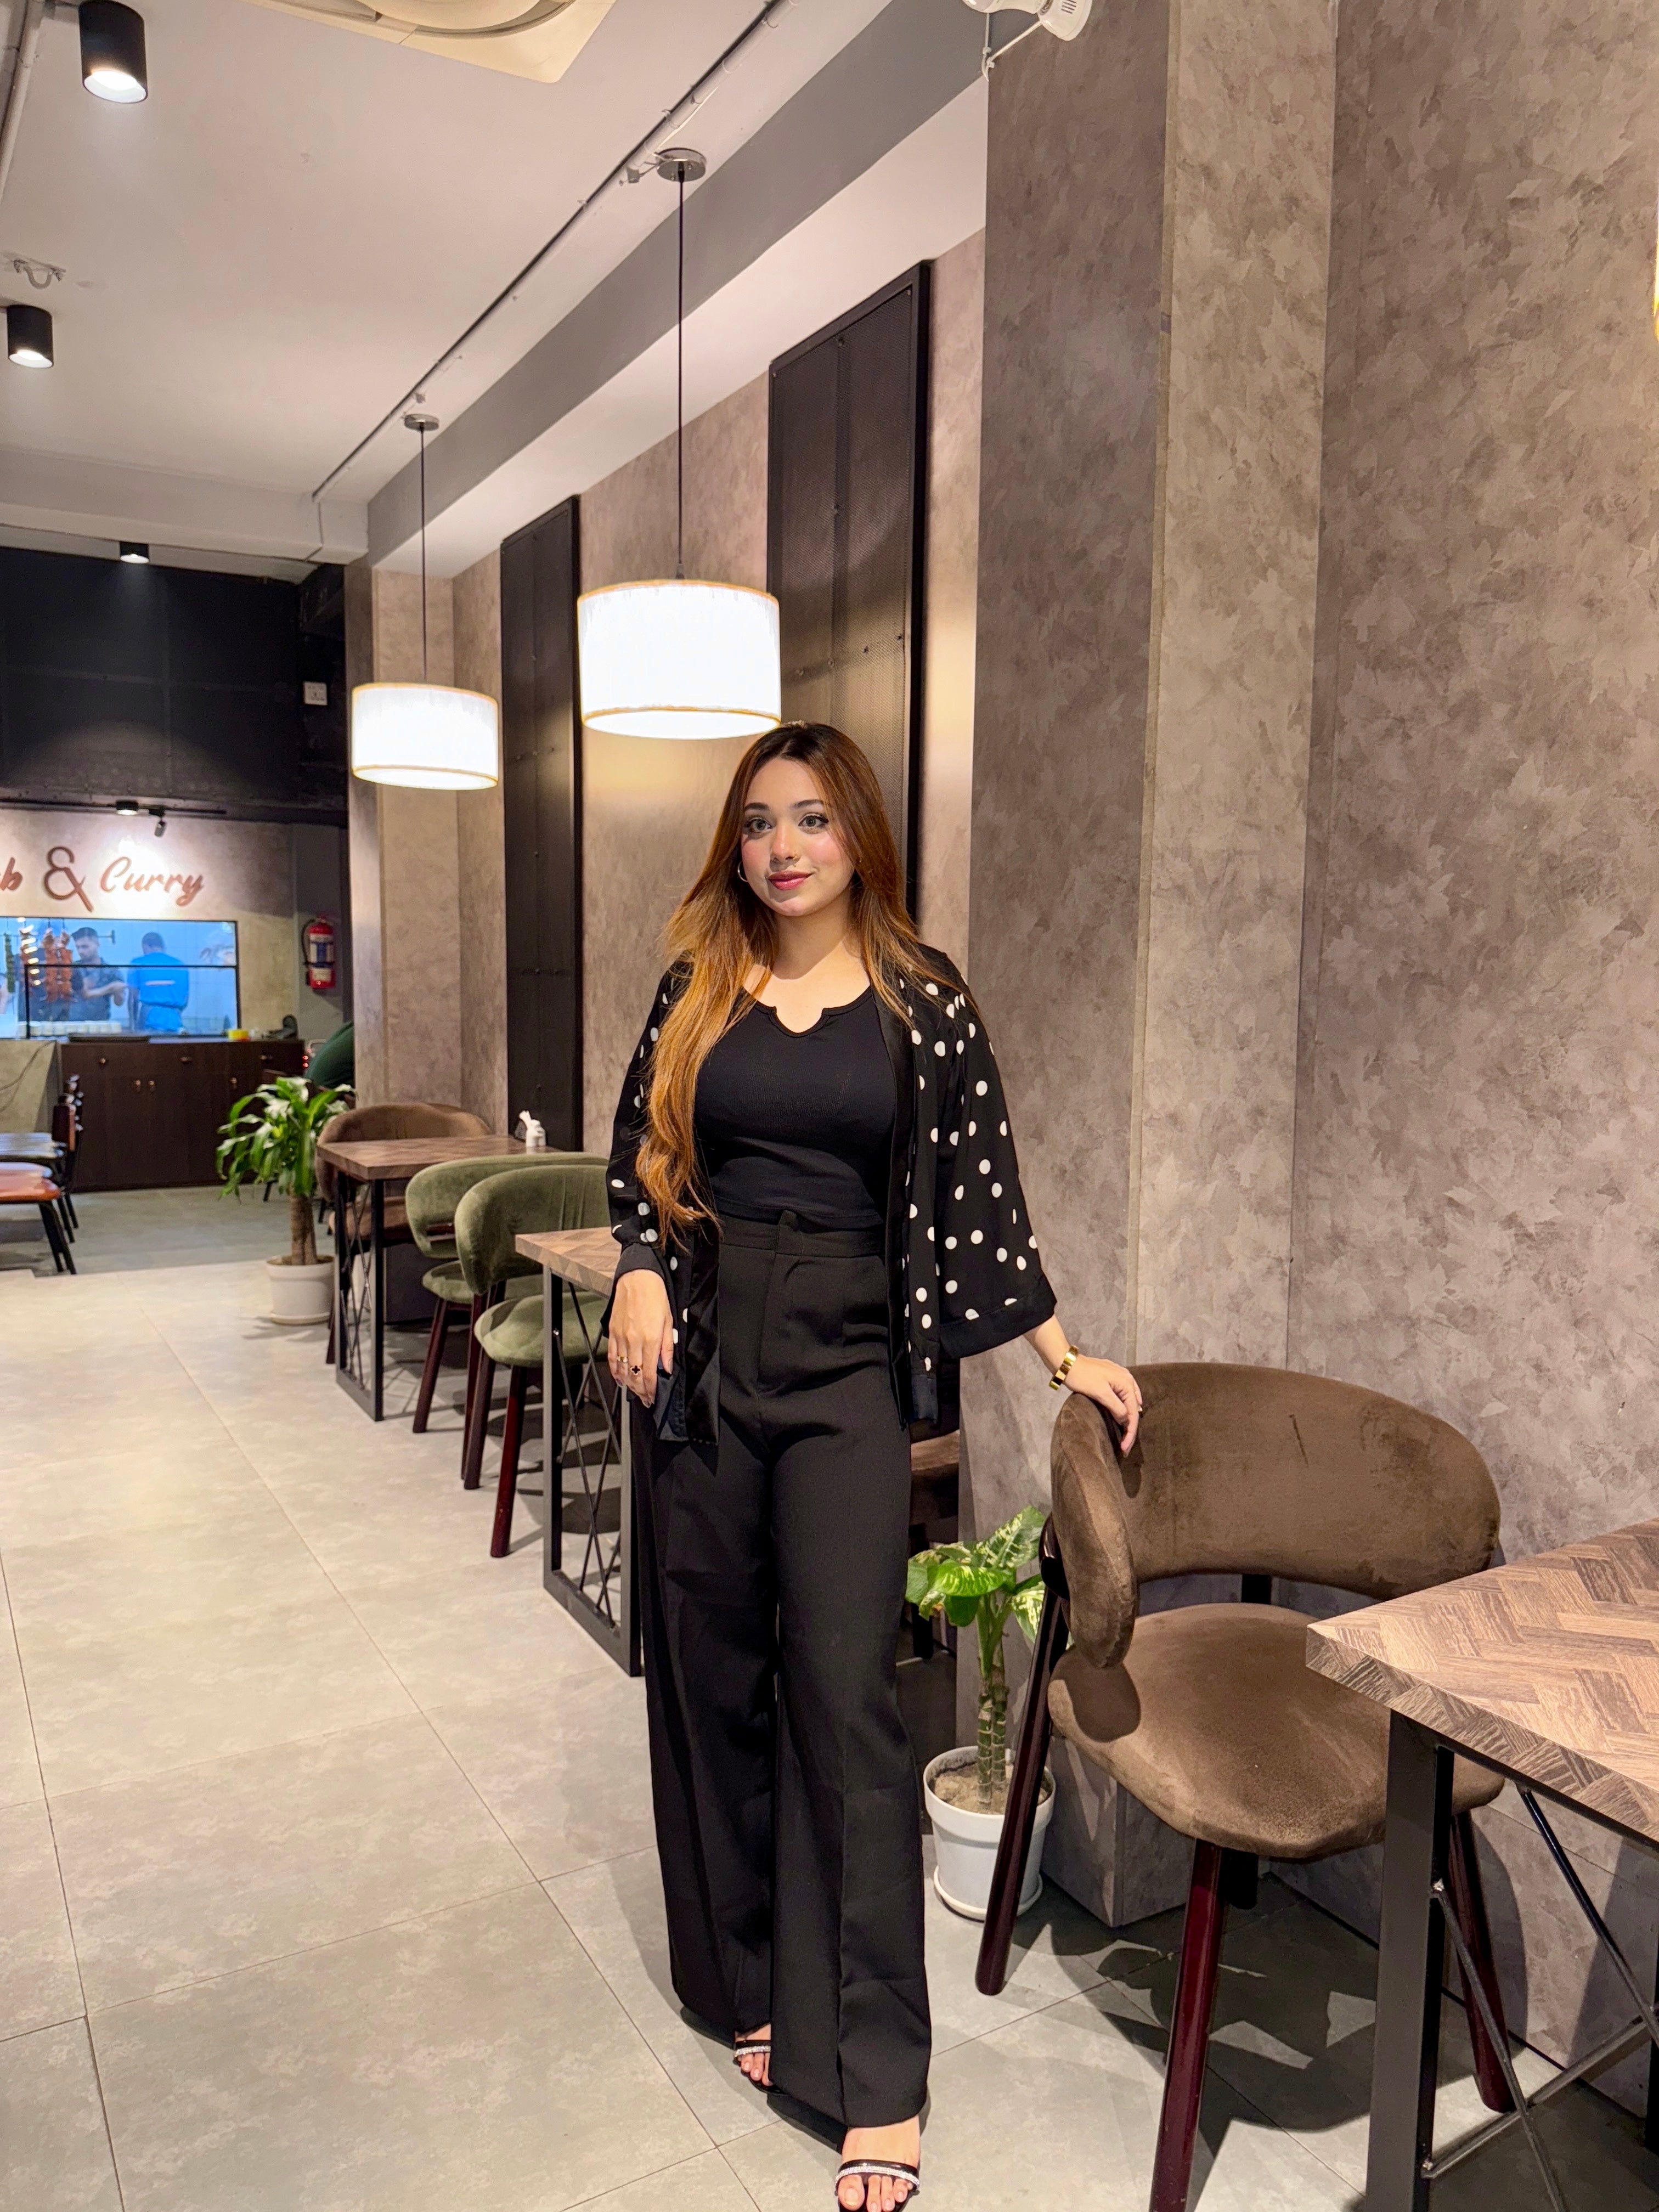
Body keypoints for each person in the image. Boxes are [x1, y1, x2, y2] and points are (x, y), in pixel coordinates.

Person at [605, 723, 1143, 2212]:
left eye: (812, 821)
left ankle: (877, 2072)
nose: (782, 849)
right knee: (710, 1674)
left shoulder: (925, 1000)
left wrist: (1063, 1357)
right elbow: (640, 1156)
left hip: (845, 1369)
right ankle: (743, 1981)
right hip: (705, 1357)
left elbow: (982, 1203)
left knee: (847, 1699)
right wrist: (639, 1269)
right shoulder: (700, 983)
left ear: (861, 838)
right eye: (759, 823)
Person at [129, 931, 189, 1034]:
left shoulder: (138, 963)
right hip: (175, 1021)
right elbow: (186, 998)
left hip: (150, 1020)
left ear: (146, 946)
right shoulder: (181, 965)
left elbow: (133, 998)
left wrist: (133, 1027)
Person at [67, 927, 126, 1022]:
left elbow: (119, 1003)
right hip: (74, 1024)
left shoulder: (112, 971)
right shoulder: (71, 969)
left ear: (97, 944)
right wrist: (109, 988)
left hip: (101, 1025)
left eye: (85, 947)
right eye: (78, 947)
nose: (81, 951)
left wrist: (117, 991)